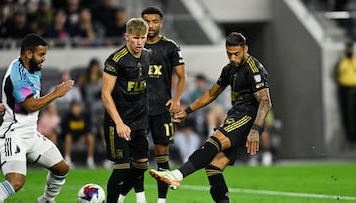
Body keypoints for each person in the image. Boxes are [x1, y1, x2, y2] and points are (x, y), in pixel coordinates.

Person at [150, 32, 272, 203]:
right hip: (236, 115)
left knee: (214, 140)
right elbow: (211, 94)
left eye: (236, 53)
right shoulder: (229, 69)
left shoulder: (254, 70)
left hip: (248, 117)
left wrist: (255, 130)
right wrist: (188, 111)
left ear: (246, 49)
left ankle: (177, 174)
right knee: (213, 167)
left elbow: (265, 102)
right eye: (229, 53)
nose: (233, 58)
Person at [0, 33, 74, 203]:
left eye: (45, 54)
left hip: (31, 134)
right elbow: (30, 105)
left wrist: (7, 104)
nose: (44, 59)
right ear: (28, 53)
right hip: (13, 135)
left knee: (61, 168)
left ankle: (46, 200)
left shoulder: (31, 68)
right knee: (16, 182)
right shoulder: (19, 76)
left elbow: (20, 98)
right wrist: (56, 93)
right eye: (41, 54)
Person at [131, 6, 187, 203]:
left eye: (155, 21)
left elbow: (181, 76)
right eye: (146, 21)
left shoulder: (170, 47)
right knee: (139, 157)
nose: (151, 25)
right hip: (138, 111)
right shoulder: (135, 47)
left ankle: (161, 201)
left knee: (162, 156)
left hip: (161, 110)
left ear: (161, 23)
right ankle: (140, 198)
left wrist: (177, 99)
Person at [101, 18, 150, 203]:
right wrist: (119, 122)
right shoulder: (116, 60)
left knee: (141, 166)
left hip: (140, 120)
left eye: (143, 38)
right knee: (122, 167)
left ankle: (120, 197)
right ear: (127, 36)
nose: (139, 42)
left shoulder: (147, 56)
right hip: (119, 121)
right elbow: (105, 94)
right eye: (136, 38)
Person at [333, 41, 356, 147]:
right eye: (349, 49)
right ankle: (349, 137)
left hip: (354, 88)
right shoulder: (342, 62)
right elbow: (335, 74)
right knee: (347, 114)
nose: (350, 51)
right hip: (345, 89)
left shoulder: (355, 61)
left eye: (351, 49)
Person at [61, 100, 95, 168]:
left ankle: (90, 160)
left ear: (80, 108)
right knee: (68, 137)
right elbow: (65, 130)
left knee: (90, 138)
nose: (75, 109)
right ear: (71, 109)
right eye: (74, 108)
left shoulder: (85, 116)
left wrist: (82, 137)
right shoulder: (67, 117)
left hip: (83, 136)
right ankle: (67, 159)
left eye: (77, 107)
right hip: (72, 136)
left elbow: (88, 128)